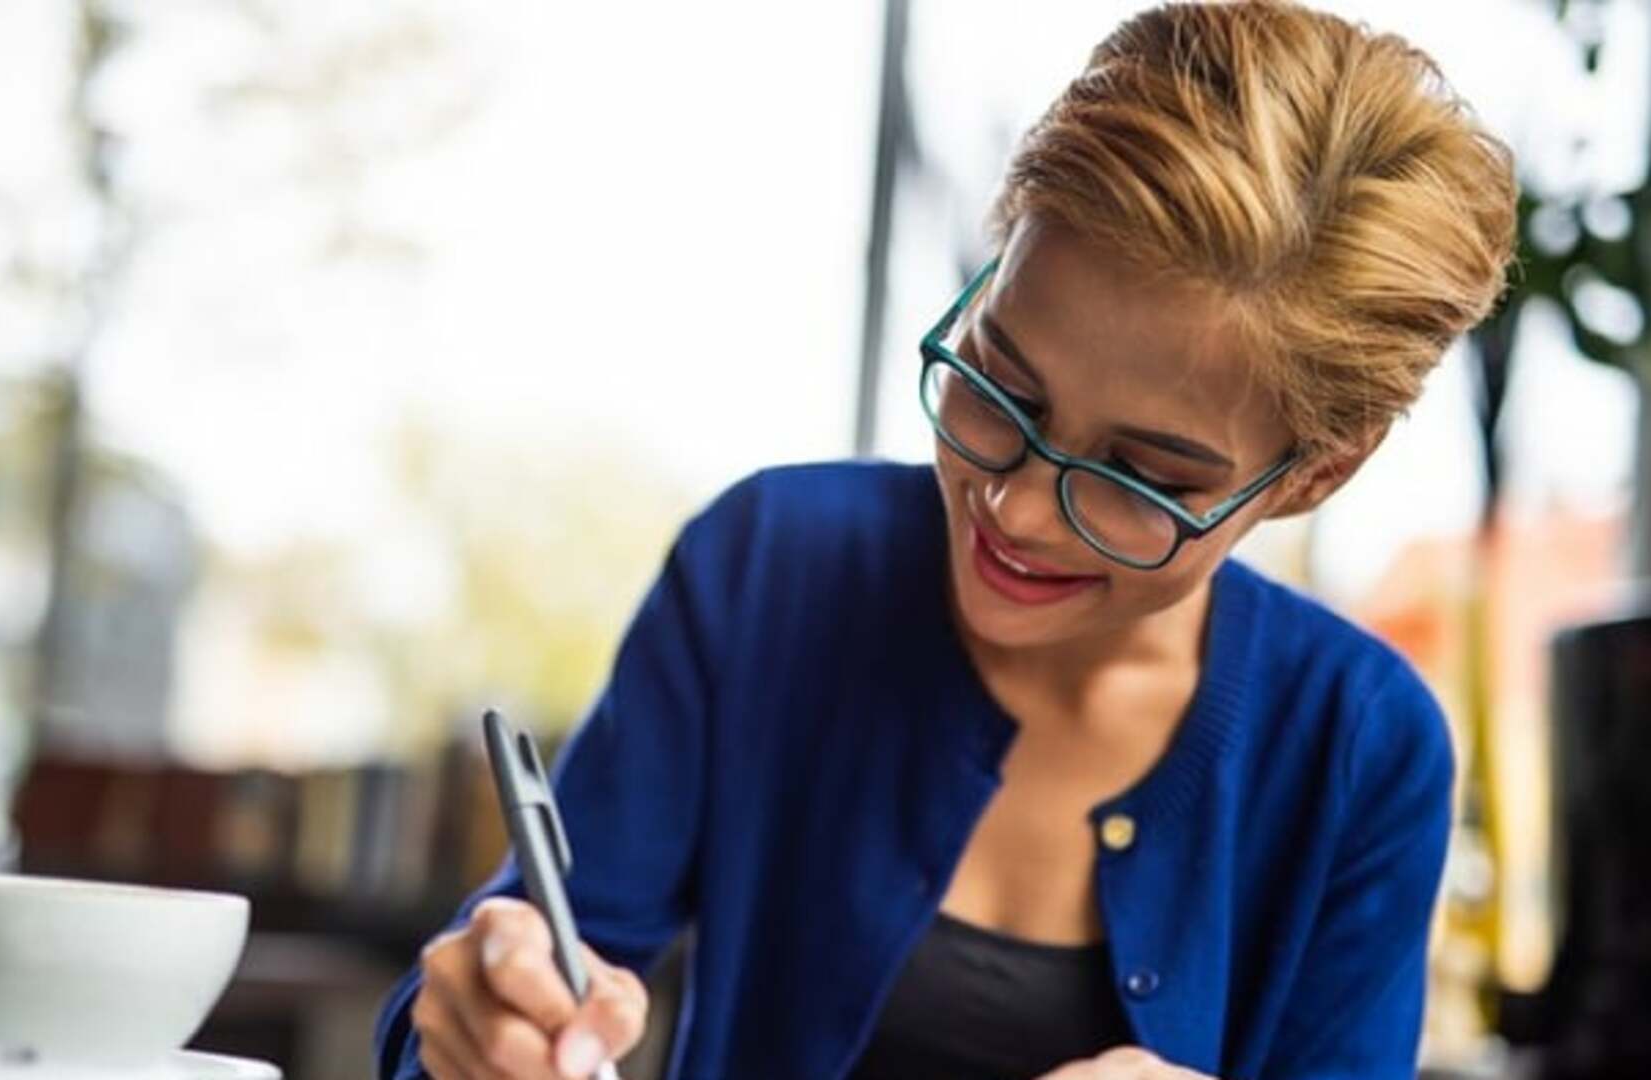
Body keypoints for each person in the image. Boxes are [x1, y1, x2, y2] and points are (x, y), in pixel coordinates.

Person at [374, 1, 1517, 1077]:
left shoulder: (1361, 747)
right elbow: (519, 976)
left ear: (1317, 473)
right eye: (999, 385)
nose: (1012, 509)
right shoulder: (769, 568)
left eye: (1140, 478)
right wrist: (474, 1024)